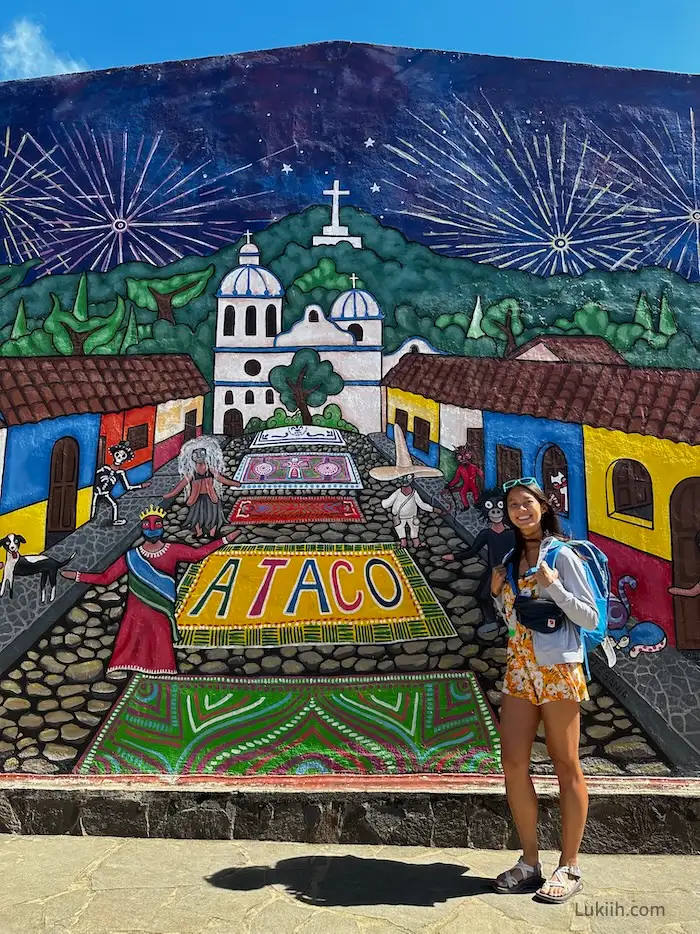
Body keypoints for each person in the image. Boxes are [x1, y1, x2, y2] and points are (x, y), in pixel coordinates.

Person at [489, 478, 598, 904]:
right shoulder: (512, 557)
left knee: (565, 762)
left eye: (527, 503)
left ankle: (569, 866)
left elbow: (588, 617)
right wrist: (500, 595)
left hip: (557, 670)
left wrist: (553, 583)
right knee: (513, 762)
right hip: (519, 669)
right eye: (513, 505)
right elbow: (518, 621)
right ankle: (530, 863)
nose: (520, 510)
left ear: (543, 507)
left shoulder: (563, 554)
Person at [61, 505, 239, 675]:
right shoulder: (132, 556)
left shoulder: (173, 550)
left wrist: (225, 540)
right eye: (147, 524)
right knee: (131, 637)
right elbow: (106, 578)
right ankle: (124, 666)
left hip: (161, 607)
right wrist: (77, 575)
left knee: (159, 638)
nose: (152, 528)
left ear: (163, 527)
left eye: (157, 524)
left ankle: (162, 669)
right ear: (142, 527)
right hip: (136, 609)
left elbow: (197, 554)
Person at [441, 488, 515, 626]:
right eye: (489, 506)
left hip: (511, 570)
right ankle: (491, 621)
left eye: (499, 506)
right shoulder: (486, 534)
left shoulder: (513, 533)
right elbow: (472, 550)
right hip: (493, 571)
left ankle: (512, 623)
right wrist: (455, 556)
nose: (495, 511)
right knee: (483, 595)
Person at [369, 424, 445, 548]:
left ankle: (415, 542)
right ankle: (404, 541)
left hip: (411, 516)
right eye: (403, 477)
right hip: (401, 516)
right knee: (401, 528)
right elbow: (389, 501)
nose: (405, 480)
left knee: (414, 529)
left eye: (408, 477)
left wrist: (434, 509)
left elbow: (421, 504)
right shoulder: (400, 493)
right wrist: (383, 504)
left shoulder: (412, 494)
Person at [163, 437, 241, 537]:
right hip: (196, 498)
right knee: (196, 515)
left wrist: (235, 483)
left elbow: (221, 479)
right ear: (191, 456)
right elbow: (182, 484)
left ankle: (212, 532)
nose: (199, 456)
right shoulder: (192, 472)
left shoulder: (210, 469)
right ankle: (199, 532)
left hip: (210, 496)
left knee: (213, 515)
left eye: (202, 453)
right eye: (196, 454)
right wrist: (171, 494)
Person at [92, 441, 151, 526]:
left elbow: (127, 487)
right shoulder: (105, 468)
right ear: (114, 455)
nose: (119, 457)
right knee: (93, 503)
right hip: (96, 491)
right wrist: (96, 486)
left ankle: (115, 520)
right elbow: (93, 476)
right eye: (117, 454)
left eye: (123, 456)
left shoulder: (120, 472)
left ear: (125, 459)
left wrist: (141, 486)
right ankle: (91, 516)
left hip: (106, 493)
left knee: (114, 504)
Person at [446, 445, 484, 510]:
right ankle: (466, 506)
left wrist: (484, 478)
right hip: (466, 484)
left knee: (475, 493)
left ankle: (477, 504)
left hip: (473, 484)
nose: (463, 460)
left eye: (465, 457)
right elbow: (456, 479)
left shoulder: (473, 466)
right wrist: (449, 485)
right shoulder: (460, 469)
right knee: (462, 493)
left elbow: (480, 473)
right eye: (461, 458)